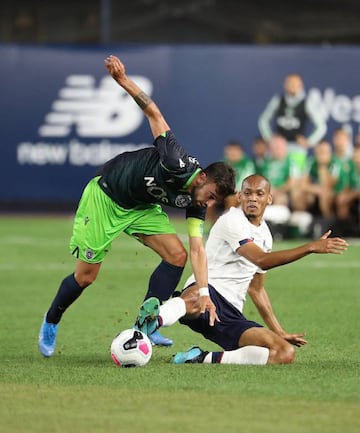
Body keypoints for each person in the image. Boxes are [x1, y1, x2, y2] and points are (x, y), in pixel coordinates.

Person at [38, 54, 236, 356]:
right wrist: (123, 81)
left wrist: (205, 292)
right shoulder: (176, 161)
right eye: (210, 195)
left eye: (215, 202)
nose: (209, 204)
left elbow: (197, 248)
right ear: (203, 177)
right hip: (107, 195)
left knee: (176, 255)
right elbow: (154, 113)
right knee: (86, 276)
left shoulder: (198, 203)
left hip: (141, 207)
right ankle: (51, 320)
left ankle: (145, 327)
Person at [135, 174, 348, 365]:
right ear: (239, 197)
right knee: (194, 299)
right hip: (206, 292)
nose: (253, 198)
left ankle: (200, 358)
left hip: (229, 315)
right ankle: (151, 322)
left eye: (259, 194)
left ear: (269, 199)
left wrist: (279, 330)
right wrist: (310, 247)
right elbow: (262, 260)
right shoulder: (231, 220)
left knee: (284, 353)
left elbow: (256, 289)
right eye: (247, 193)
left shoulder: (265, 235)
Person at [258, 73, 327, 176]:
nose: (292, 86)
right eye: (290, 83)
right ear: (285, 85)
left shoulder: (307, 103)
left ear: (301, 85)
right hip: (278, 149)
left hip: (297, 149)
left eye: (295, 83)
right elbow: (263, 120)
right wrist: (269, 139)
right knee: (274, 178)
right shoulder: (278, 100)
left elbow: (321, 126)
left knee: (296, 178)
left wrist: (309, 142)